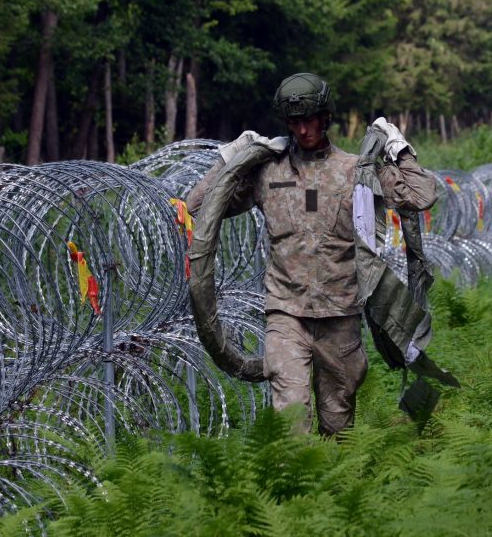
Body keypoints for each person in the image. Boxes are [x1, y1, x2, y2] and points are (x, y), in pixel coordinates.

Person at [186, 72, 436, 436]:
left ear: (326, 118)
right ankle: (290, 490)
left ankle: (332, 490)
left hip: (341, 316)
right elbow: (198, 205)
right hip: (286, 315)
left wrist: (399, 149)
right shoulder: (267, 171)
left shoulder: (355, 171)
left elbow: (423, 194)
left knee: (337, 425)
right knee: (291, 420)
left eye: (309, 120)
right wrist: (231, 158)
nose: (303, 130)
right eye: (294, 122)